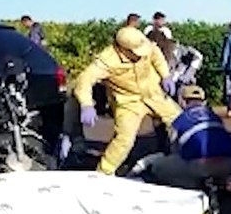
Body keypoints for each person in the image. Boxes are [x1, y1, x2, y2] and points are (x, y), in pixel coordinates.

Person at [72, 25, 181, 176]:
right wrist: (86, 104)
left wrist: (165, 75)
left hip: (153, 93)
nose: (140, 56)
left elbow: (156, 56)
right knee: (124, 139)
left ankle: (187, 160)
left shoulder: (146, 45)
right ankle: (103, 173)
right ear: (122, 49)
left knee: (181, 122)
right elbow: (84, 80)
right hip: (128, 102)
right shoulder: (107, 60)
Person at [127, 85, 231, 189]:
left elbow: (174, 149)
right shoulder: (214, 116)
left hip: (198, 165)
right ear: (204, 102)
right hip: (229, 163)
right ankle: (218, 180)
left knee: (160, 167)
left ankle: (193, 183)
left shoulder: (180, 119)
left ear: (183, 102)